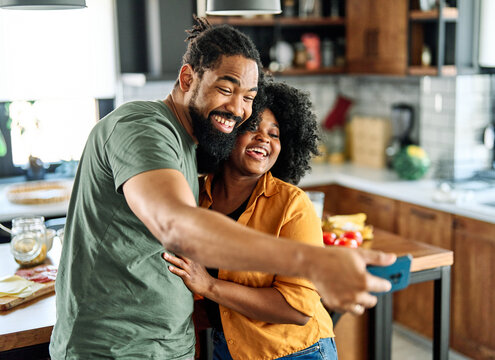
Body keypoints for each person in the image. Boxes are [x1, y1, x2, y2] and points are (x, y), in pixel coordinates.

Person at [50, 17, 395, 360]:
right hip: (114, 350)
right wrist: (313, 260)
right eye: (226, 89)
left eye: (248, 97)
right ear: (188, 78)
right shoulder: (143, 127)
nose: (238, 109)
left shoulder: (189, 146)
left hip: (166, 346)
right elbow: (176, 226)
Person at [165, 81, 338, 359]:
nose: (264, 138)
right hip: (230, 347)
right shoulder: (195, 196)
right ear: (224, 133)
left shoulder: (292, 204)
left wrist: (209, 285)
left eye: (274, 133)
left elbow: (298, 308)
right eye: (251, 128)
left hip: (296, 352)